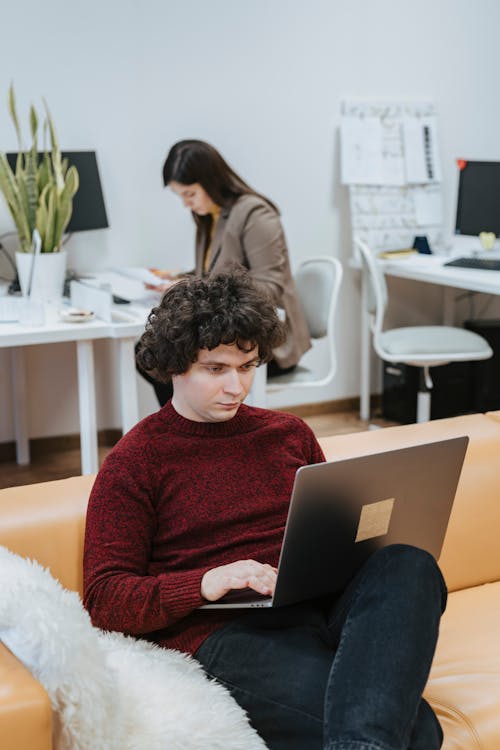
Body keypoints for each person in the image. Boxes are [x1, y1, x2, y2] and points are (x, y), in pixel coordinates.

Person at [84, 272, 446, 750]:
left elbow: (329, 534)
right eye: (216, 369)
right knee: (419, 732)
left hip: (316, 605)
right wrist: (205, 582)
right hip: (226, 630)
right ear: (173, 366)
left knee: (410, 562)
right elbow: (105, 598)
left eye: (249, 366)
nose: (237, 387)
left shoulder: (289, 434)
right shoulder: (135, 461)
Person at [138, 139, 311, 406]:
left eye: (190, 194)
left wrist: (199, 292)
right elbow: (210, 273)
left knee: (167, 355)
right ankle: (194, 431)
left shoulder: (256, 215)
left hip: (263, 345)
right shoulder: (212, 217)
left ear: (210, 181)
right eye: (181, 196)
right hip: (226, 334)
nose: (186, 204)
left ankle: (198, 432)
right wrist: (176, 280)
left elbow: (269, 287)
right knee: (150, 351)